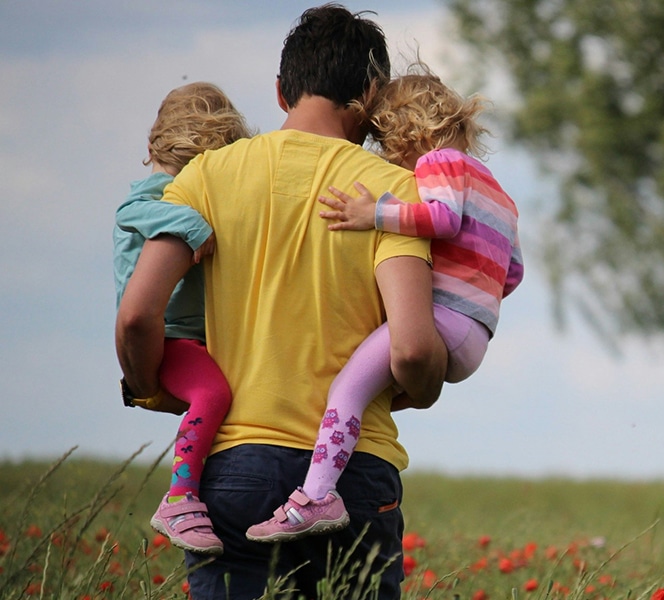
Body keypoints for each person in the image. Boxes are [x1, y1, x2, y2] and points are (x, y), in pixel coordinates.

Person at [115, 4, 447, 598]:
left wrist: (151, 388)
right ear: (371, 93)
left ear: (279, 92)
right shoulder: (394, 192)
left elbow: (138, 313)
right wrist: (419, 390)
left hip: (235, 467)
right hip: (354, 472)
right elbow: (416, 349)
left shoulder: (204, 178)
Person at [246, 66, 524, 543]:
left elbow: (441, 218)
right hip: (476, 334)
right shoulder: (499, 192)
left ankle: (316, 497)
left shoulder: (440, 164)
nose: (386, 154)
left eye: (386, 140)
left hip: (441, 320)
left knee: (346, 391)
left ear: (408, 131)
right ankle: (330, 473)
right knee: (371, 393)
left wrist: (372, 213)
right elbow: (512, 272)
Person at [113, 82, 251, 555]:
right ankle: (180, 497)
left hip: (191, 337)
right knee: (213, 393)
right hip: (170, 337)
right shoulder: (158, 193)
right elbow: (131, 210)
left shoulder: (177, 188)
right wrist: (193, 225)